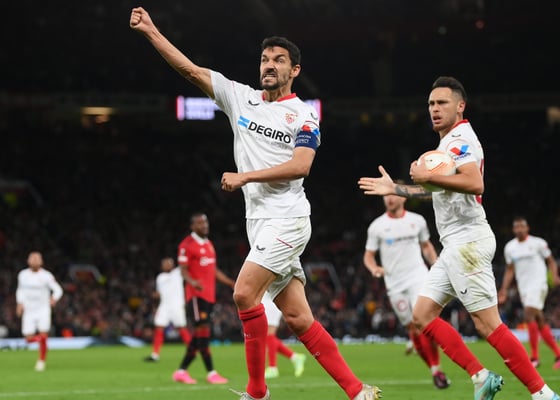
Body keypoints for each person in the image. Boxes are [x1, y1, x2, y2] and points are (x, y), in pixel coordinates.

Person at [130, 8, 381, 400]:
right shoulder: (240, 98)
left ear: (294, 70)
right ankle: (357, 391)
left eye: (279, 60)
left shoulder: (303, 114)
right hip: (259, 222)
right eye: (265, 59)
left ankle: (257, 393)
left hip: (288, 218)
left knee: (244, 294)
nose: (269, 65)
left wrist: (244, 177)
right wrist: (150, 31)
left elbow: (301, 166)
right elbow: (191, 71)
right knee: (298, 318)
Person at [358, 76, 559, 400]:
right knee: (422, 315)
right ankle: (481, 377)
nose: (434, 109)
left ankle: (543, 394)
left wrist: (428, 175)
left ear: (460, 106)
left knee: (488, 325)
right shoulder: (446, 144)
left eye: (442, 103)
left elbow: (475, 182)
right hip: (454, 244)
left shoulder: (460, 140)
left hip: (468, 242)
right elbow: (436, 190)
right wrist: (396, 188)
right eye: (431, 104)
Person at [363, 189, 450, 389]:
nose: (389, 198)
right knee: (412, 328)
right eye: (386, 195)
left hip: (417, 277)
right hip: (394, 284)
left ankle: (437, 370)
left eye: (393, 194)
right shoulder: (377, 226)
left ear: (403, 197)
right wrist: (374, 268)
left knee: (424, 322)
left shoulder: (417, 220)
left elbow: (426, 245)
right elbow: (368, 256)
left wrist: (437, 264)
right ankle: (433, 369)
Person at [172, 213, 236, 385]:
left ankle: (181, 371)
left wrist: (230, 282)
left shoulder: (208, 244)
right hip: (195, 296)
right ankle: (211, 373)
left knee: (200, 335)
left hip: (209, 295)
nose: (204, 225)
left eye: (205, 222)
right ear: (192, 226)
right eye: (200, 223)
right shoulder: (186, 245)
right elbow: (183, 269)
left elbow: (213, 269)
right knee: (203, 332)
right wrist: (193, 282)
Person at [498, 216, 560, 369]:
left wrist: (554, 276)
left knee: (528, 314)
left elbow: (551, 260)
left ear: (527, 228)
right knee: (539, 320)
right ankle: (558, 354)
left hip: (539, 284)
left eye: (522, 226)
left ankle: (534, 357)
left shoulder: (538, 243)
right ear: (513, 230)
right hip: (524, 287)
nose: (519, 229)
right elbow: (510, 270)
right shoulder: (510, 248)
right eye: (516, 227)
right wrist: (504, 289)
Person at [15, 251, 63, 371]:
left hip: (43, 310)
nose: (35, 260)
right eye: (32, 258)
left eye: (37, 258)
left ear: (41, 261)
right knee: (28, 338)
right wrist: (20, 303)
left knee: (43, 333)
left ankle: (41, 361)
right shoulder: (23, 275)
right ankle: (43, 341)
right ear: (28, 261)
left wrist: (54, 298)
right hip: (29, 310)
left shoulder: (46, 276)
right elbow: (20, 290)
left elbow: (58, 290)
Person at [144, 257, 192, 362]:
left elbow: (186, 264)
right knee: (159, 327)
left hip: (177, 305)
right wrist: (154, 295)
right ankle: (155, 355)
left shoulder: (178, 272)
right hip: (164, 306)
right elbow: (159, 293)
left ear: (172, 264)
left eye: (167, 263)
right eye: (164, 264)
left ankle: (192, 351)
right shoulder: (160, 277)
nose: (165, 265)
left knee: (181, 328)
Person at [262, 291, 307, 379]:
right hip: (266, 300)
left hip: (271, 301)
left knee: (269, 335)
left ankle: (272, 368)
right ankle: (295, 357)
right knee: (268, 337)